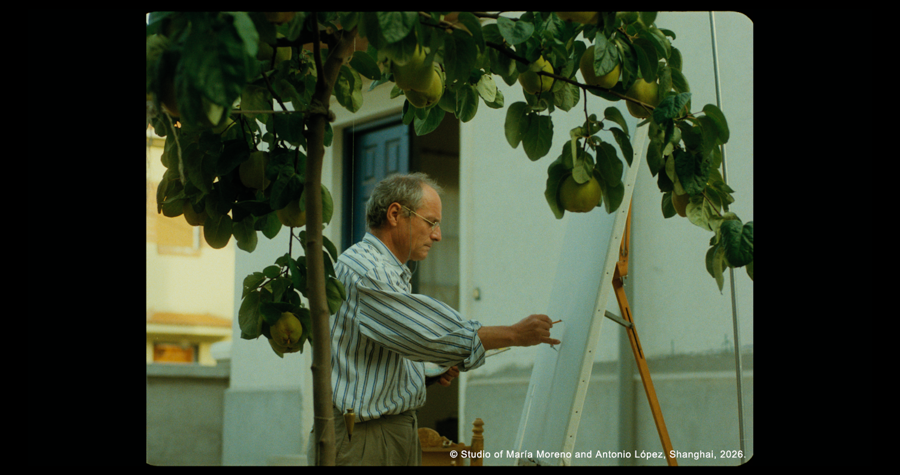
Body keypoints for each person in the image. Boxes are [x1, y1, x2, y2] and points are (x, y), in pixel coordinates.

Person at [307, 172, 560, 466]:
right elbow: (424, 333)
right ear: (394, 214)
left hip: (378, 432)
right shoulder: (367, 269)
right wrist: (514, 335)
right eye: (432, 222)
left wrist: (426, 374)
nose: (438, 235)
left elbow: (377, 355)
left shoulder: (383, 269)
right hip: (364, 437)